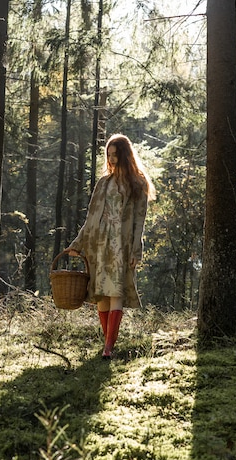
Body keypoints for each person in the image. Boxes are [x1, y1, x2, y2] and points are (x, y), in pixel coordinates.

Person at [66, 133, 155, 359]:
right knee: (101, 294)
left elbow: (139, 220)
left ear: (125, 155)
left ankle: (108, 348)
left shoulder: (138, 183)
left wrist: (136, 250)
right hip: (99, 243)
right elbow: (91, 218)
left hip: (121, 244)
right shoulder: (103, 183)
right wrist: (78, 244)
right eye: (109, 155)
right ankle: (108, 344)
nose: (112, 159)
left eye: (116, 155)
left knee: (116, 291)